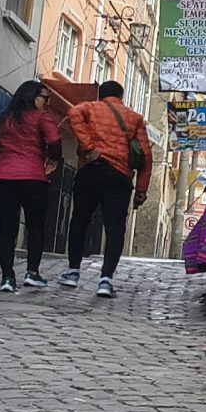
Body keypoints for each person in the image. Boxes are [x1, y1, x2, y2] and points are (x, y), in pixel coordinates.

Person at [60, 80, 152, 298]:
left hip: (91, 170)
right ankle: (106, 280)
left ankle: (73, 272)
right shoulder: (134, 118)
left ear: (101, 94)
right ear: (121, 95)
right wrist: (141, 189)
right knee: (115, 228)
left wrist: (89, 147)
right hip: (119, 176)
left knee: (80, 220)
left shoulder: (90, 108)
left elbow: (73, 112)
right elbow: (146, 156)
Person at [0, 81, 62, 292]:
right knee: (36, 226)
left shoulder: (2, 120)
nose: (46, 103)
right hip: (33, 177)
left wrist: (0, 165)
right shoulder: (40, 117)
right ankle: (32, 272)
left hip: (2, 179)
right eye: (45, 98)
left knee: (7, 228)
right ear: (33, 97)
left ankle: (7, 277)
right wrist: (53, 158)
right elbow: (54, 138)